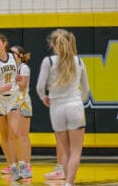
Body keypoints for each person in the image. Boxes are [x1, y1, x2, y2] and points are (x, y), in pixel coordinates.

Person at [36, 29, 89, 186]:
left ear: (52, 44)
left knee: (65, 151)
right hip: (75, 106)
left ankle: (67, 182)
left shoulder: (49, 61)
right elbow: (86, 89)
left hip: (56, 107)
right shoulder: (78, 61)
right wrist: (79, 101)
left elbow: (40, 87)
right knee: (75, 151)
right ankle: (69, 183)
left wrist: (44, 98)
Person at [0, 33, 31, 181]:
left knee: (15, 132)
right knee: (5, 134)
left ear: (4, 43)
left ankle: (22, 165)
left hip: (13, 98)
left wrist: (18, 80)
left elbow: (15, 76)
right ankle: (13, 167)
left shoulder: (13, 57)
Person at [11, 45, 33, 175]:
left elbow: (23, 86)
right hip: (13, 102)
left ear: (20, 55)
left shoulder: (24, 67)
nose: (10, 54)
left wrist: (12, 78)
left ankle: (27, 164)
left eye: (13, 52)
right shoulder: (10, 68)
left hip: (23, 102)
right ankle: (15, 164)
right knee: (14, 135)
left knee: (23, 135)